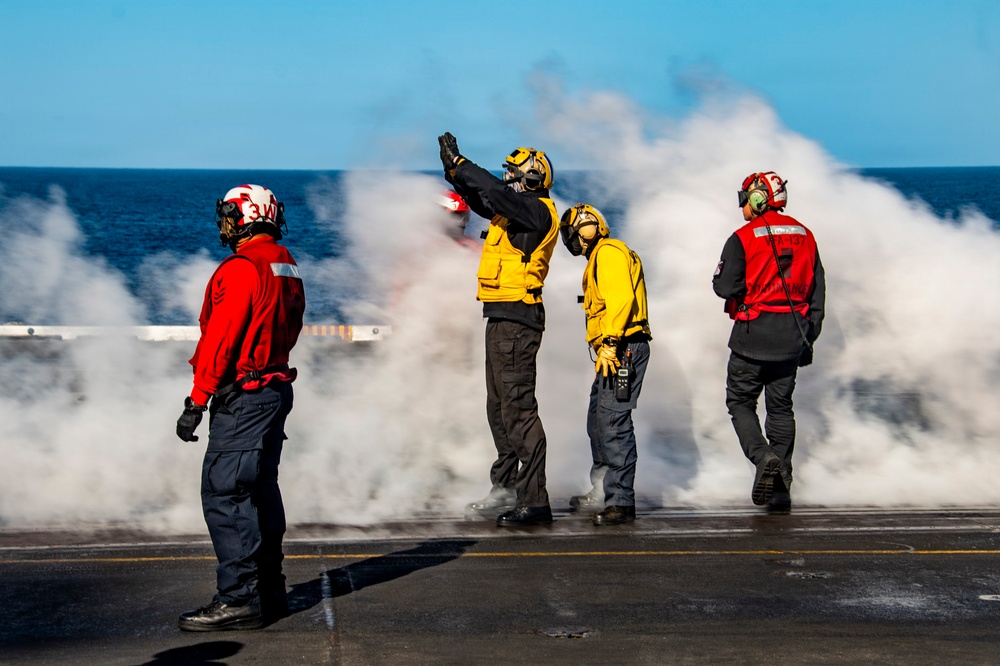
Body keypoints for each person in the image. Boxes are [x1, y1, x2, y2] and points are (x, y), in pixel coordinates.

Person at [175, 184, 306, 630]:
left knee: (226, 493)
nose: (224, 223)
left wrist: (197, 400)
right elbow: (290, 326)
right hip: (274, 391)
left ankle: (239, 598)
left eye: (230, 214)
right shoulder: (284, 263)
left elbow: (221, 340)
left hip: (245, 397)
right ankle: (270, 589)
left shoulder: (242, 268)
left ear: (247, 216)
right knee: (260, 490)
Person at [437, 132, 560, 527]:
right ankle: (506, 487)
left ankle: (535, 499)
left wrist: (462, 164)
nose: (506, 178)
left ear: (531, 178)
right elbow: (482, 197)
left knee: (519, 410)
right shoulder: (513, 213)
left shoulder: (537, 212)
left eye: (512, 172)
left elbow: (492, 190)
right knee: (499, 409)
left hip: (518, 320)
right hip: (501, 317)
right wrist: (454, 174)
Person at [712, 171, 825, 511]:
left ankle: (763, 458)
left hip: (751, 336)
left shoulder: (742, 237)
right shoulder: (806, 235)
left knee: (740, 403)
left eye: (745, 197)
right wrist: (808, 338)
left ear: (759, 199)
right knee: (780, 409)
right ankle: (781, 488)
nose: (743, 204)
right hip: (792, 337)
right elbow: (817, 295)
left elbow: (724, 287)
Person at [559, 204, 652, 525]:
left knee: (613, 423)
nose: (570, 241)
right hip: (615, 352)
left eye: (571, 234)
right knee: (597, 419)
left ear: (583, 232)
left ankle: (621, 501)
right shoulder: (603, 254)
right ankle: (601, 490)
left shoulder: (609, 252)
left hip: (622, 351)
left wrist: (610, 343)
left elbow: (621, 298)